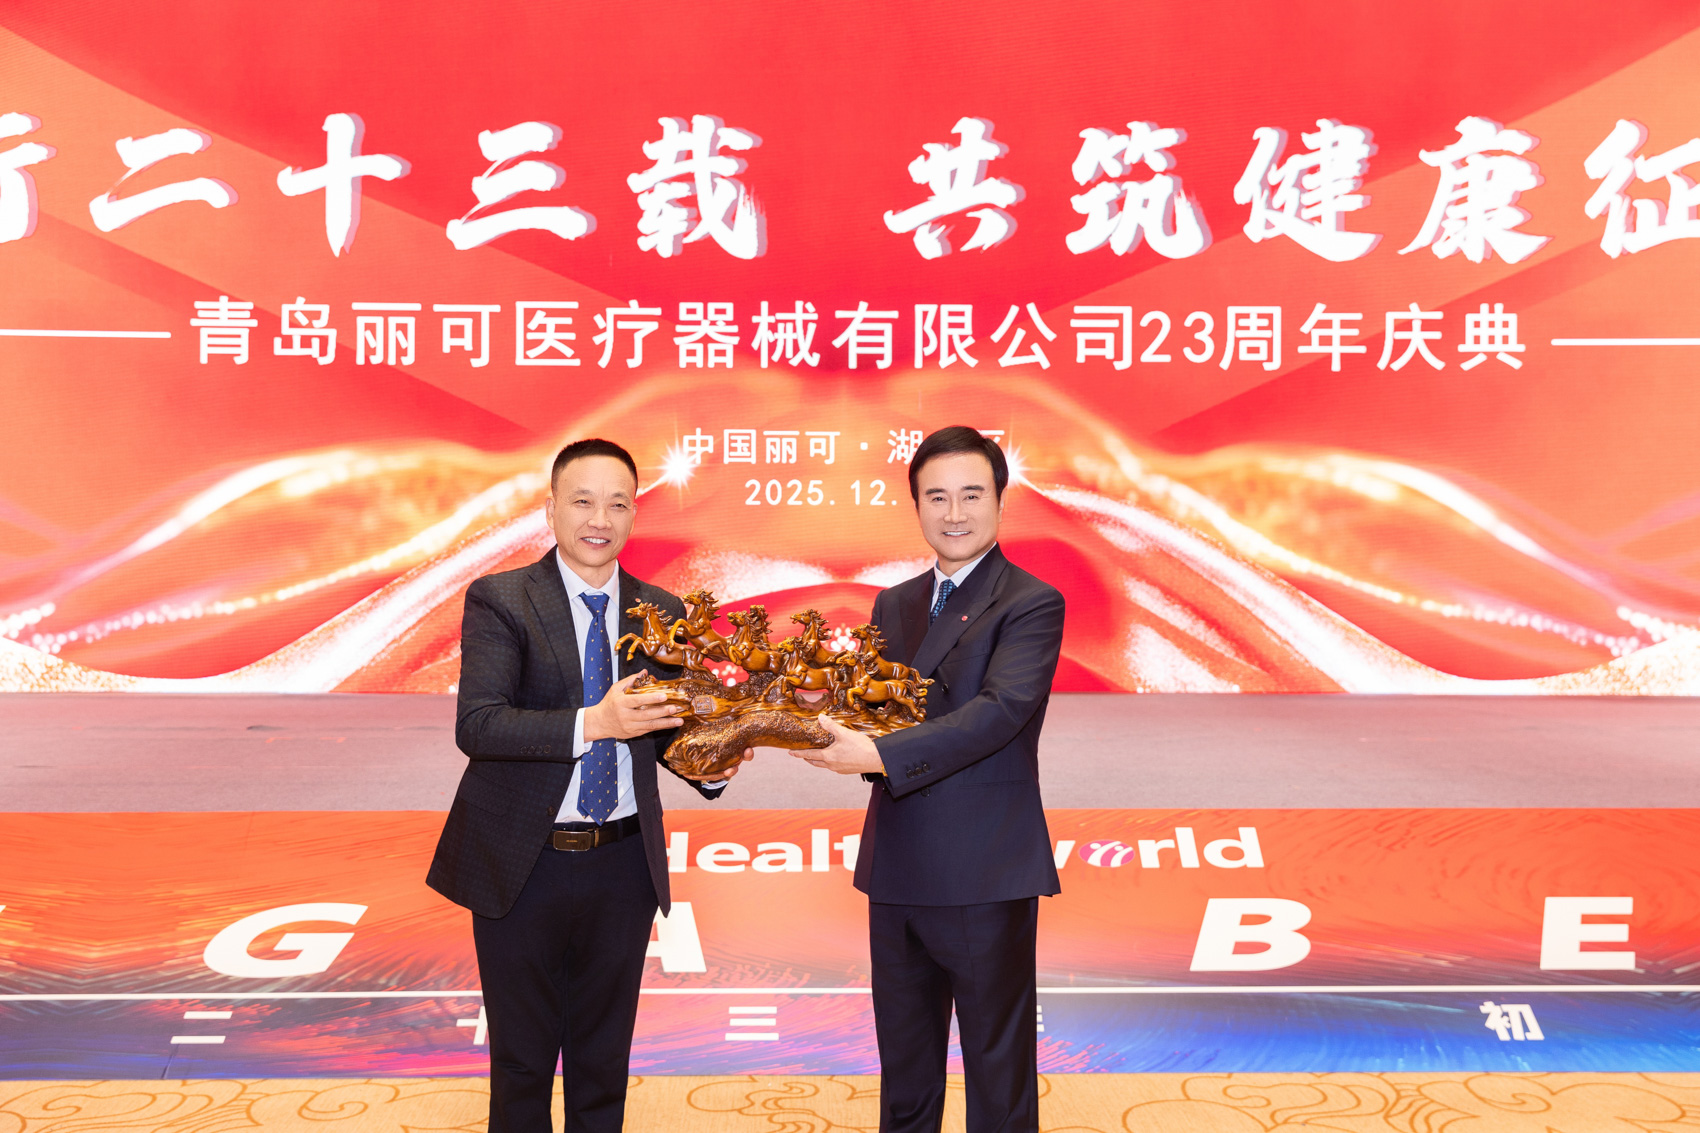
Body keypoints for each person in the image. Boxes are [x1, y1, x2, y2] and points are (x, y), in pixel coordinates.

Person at [426, 438, 745, 1133]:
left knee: (603, 1064)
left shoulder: (660, 611)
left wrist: (708, 764)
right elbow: (479, 724)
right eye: (583, 500)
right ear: (551, 509)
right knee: (522, 1064)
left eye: (618, 503)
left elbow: (665, 730)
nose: (600, 518)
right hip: (524, 862)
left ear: (634, 515)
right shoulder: (503, 599)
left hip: (622, 865)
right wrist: (595, 721)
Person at [798, 425, 1066, 1133]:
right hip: (898, 865)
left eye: (971, 495)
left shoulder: (1031, 602)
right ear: (916, 505)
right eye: (936, 496)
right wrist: (809, 711)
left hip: (984, 871)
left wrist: (880, 756)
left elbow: (998, 712)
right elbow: (877, 710)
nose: (954, 513)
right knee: (906, 1076)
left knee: (998, 1081)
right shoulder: (894, 603)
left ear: (1000, 500)